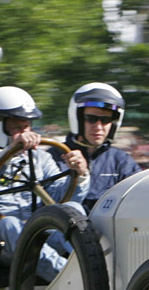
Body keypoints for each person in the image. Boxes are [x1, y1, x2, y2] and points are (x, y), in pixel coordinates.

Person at [0, 86, 89, 281]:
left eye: (27, 127)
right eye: (17, 128)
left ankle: (89, 265)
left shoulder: (40, 158)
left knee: (72, 208)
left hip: (36, 231)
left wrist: (80, 173)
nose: (26, 134)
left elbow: (60, 199)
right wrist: (7, 154)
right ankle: (70, 278)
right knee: (10, 225)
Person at [48, 83, 141, 212]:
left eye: (105, 120)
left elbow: (139, 198)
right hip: (65, 228)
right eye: (91, 119)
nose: (98, 127)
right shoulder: (52, 157)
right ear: (78, 119)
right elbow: (47, 204)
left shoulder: (122, 161)